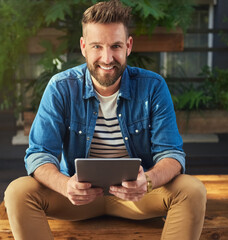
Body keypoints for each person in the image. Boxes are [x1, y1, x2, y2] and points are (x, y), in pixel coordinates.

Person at [4, 0, 206, 239]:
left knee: (193, 190)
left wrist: (148, 181)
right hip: (77, 198)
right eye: (97, 46)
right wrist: (65, 186)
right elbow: (39, 154)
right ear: (83, 46)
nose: (107, 58)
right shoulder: (60, 87)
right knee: (17, 192)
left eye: (116, 46)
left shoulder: (153, 86)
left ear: (128, 46)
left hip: (137, 198)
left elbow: (171, 154)